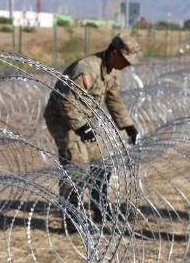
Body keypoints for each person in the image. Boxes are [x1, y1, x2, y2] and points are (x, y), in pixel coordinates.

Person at [43, 33, 141, 231]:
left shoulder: (113, 71)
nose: (128, 65)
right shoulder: (87, 68)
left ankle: (100, 208)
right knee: (77, 167)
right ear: (114, 52)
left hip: (82, 120)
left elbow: (113, 100)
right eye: (125, 60)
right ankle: (72, 218)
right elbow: (66, 101)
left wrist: (128, 125)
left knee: (102, 164)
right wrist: (81, 126)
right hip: (63, 120)